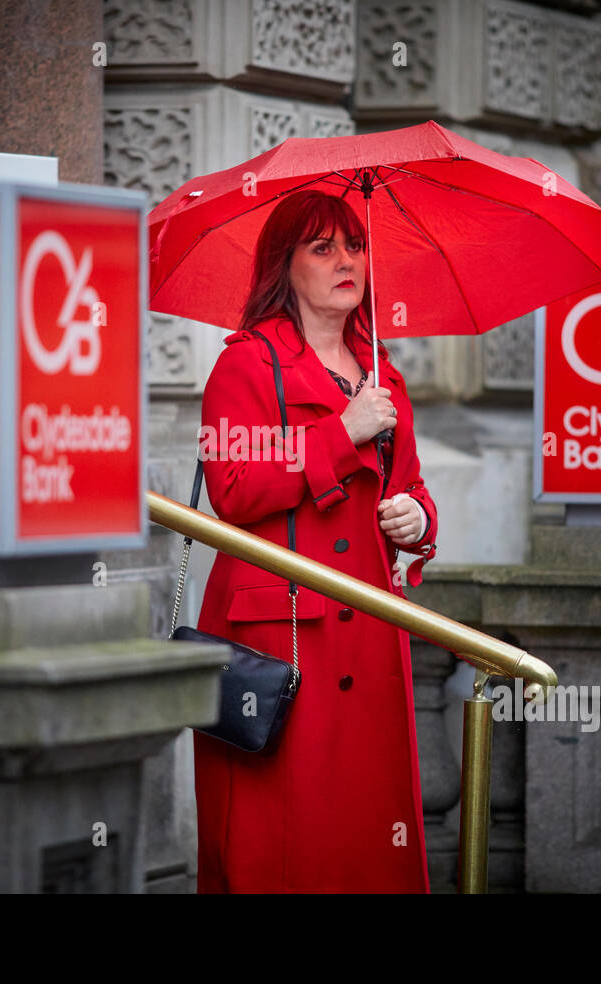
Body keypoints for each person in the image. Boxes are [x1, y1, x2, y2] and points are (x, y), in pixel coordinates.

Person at [193, 189, 439, 893]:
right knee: (282, 833)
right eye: (322, 248)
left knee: (363, 827)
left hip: (367, 626)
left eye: (355, 247)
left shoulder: (383, 373)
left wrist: (417, 522)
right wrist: (342, 432)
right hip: (282, 636)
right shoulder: (245, 363)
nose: (346, 262)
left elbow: (412, 486)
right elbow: (231, 488)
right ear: (285, 264)